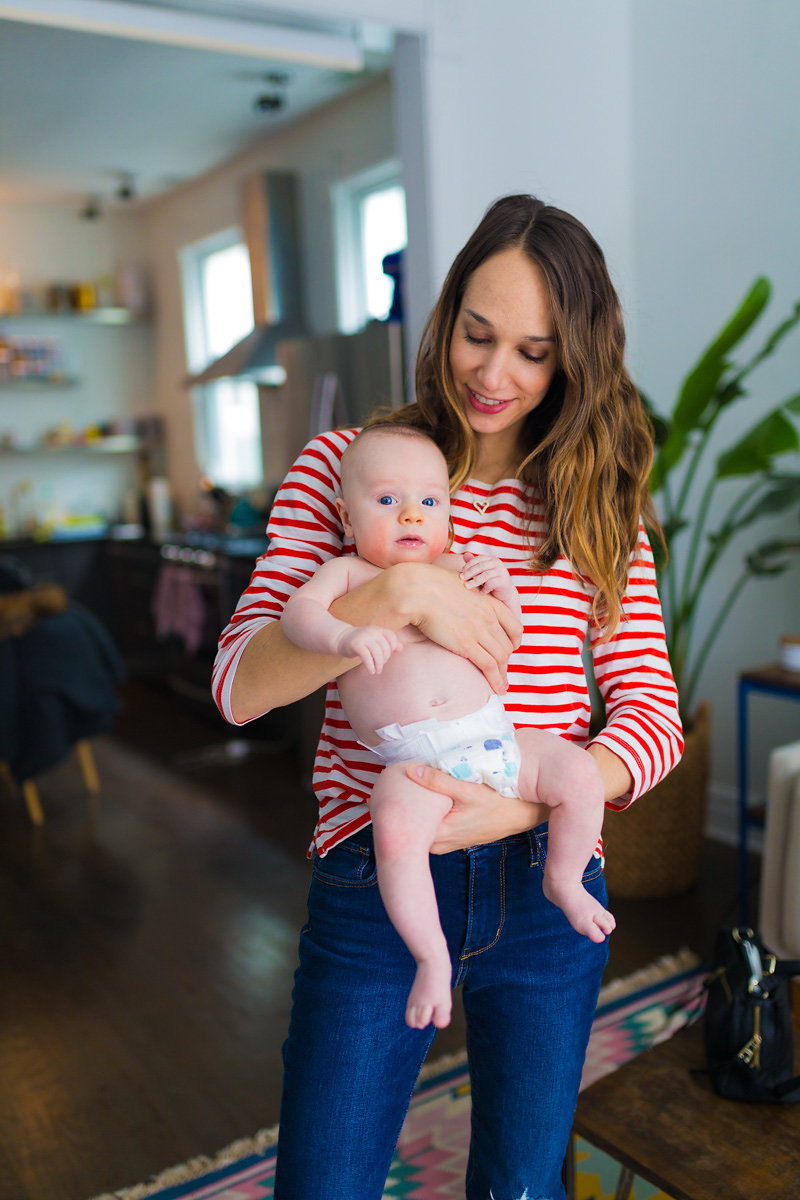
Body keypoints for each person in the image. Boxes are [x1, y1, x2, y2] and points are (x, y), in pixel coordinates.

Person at [213, 194, 683, 1200]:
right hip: (373, 876)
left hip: (546, 885)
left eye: (532, 352)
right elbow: (238, 688)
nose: (493, 374)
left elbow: (651, 716)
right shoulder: (346, 470)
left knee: (521, 1185)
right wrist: (403, 592)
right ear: (444, 318)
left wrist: (519, 808)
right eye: (476, 334)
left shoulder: (598, 510)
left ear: (573, 361)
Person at [279, 423, 614, 1031]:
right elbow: (297, 616)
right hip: (414, 762)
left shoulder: (459, 567)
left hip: (497, 739)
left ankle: (564, 879)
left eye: (430, 501)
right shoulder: (347, 575)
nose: (411, 514)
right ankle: (430, 955)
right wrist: (344, 636)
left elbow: (509, 636)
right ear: (347, 517)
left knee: (577, 771)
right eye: (387, 500)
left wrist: (505, 590)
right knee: (396, 828)